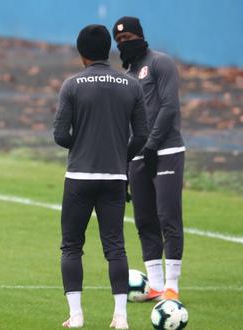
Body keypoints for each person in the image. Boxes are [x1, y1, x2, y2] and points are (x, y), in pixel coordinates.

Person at [53, 24, 148, 329]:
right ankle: (120, 316)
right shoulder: (131, 84)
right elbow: (142, 135)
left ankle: (76, 315)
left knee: (71, 245)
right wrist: (122, 153)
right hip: (115, 178)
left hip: (79, 176)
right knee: (115, 246)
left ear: (81, 53)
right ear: (109, 49)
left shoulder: (72, 85)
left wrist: (80, 144)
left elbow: (60, 135)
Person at [113, 16, 185, 301]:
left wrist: (153, 145)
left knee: (169, 216)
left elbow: (169, 107)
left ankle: (172, 286)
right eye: (119, 42)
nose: (124, 44)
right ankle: (155, 285)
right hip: (138, 156)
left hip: (166, 151)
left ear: (140, 36)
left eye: (128, 39)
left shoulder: (161, 63)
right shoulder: (126, 76)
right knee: (144, 220)